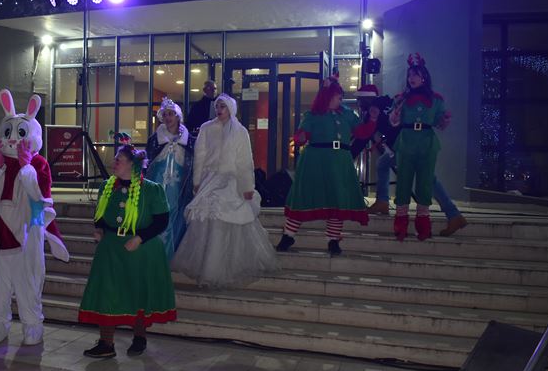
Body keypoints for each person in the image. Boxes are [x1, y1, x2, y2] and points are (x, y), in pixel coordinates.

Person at [0, 89, 68, 345]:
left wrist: (26, 166)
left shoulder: (38, 164)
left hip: (28, 233)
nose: (13, 138)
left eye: (20, 133)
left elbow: (39, 197)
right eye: (8, 132)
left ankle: (32, 326)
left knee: (28, 282)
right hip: (0, 235)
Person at [78, 142, 176, 358]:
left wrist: (139, 238)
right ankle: (106, 343)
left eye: (119, 160)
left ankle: (139, 337)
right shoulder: (107, 187)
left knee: (138, 293)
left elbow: (161, 221)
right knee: (107, 293)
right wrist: (100, 229)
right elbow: (100, 214)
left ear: (133, 165)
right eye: (115, 160)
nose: (114, 163)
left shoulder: (151, 189)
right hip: (111, 249)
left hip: (140, 249)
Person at [172, 93, 278, 286]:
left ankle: (221, 268)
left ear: (230, 109)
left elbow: (245, 161)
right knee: (208, 222)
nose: (219, 110)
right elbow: (200, 156)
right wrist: (197, 181)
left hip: (231, 181)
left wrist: (247, 186)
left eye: (223, 106)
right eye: (217, 106)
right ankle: (209, 268)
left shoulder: (240, 131)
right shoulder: (206, 128)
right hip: (210, 180)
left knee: (228, 222)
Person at [276, 77, 377, 255]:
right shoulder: (313, 114)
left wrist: (373, 120)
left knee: (337, 199)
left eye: (341, 97)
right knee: (304, 197)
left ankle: (333, 240)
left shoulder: (347, 114)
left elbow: (361, 132)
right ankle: (288, 235)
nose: (340, 100)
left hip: (340, 161)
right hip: (316, 161)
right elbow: (302, 135)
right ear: (328, 96)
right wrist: (301, 137)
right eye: (338, 96)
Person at [355, 84, 468, 237]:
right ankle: (382, 201)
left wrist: (349, 154)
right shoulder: (384, 104)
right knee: (384, 164)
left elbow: (364, 138)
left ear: (367, 99)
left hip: (405, 145)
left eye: (360, 99)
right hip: (402, 145)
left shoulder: (375, 110)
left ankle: (453, 215)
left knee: (429, 180)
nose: (359, 103)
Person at [389, 53, 452, 241]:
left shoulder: (436, 99)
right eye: (409, 75)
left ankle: (423, 224)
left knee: (425, 182)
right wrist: (395, 114)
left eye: (415, 75)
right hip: (406, 141)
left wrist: (444, 119)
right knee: (403, 182)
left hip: (427, 143)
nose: (411, 78)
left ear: (424, 77)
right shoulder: (401, 98)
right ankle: (400, 223)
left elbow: (440, 123)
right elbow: (393, 121)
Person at [145, 97, 195, 261]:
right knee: (156, 214)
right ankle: (153, 254)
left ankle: (168, 256)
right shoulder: (155, 140)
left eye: (171, 114)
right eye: (165, 114)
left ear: (177, 116)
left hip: (177, 187)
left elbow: (193, 165)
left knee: (173, 214)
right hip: (157, 185)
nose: (168, 117)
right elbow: (147, 164)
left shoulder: (189, 141)